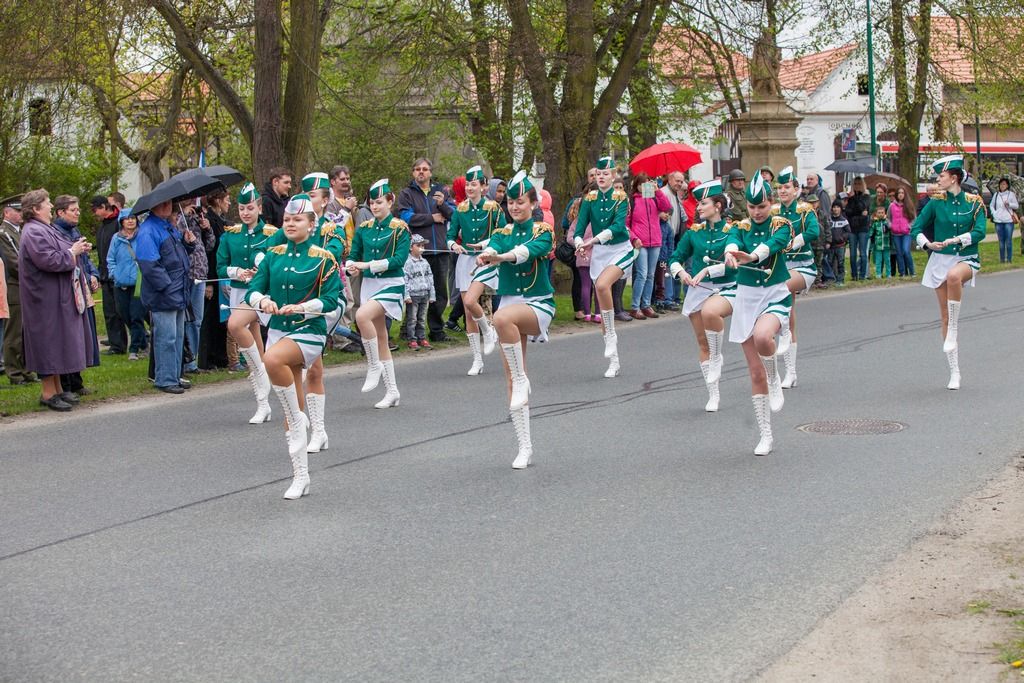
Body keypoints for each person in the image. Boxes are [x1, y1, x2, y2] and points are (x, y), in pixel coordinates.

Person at [246, 193, 341, 500]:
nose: (290, 224)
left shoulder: (323, 258)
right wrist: (264, 301)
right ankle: (301, 475)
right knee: (291, 407)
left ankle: (300, 417)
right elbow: (253, 289)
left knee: (271, 360)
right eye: (287, 219)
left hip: (309, 332)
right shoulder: (273, 255)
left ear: (311, 224)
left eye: (297, 219)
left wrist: (303, 308)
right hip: (278, 330)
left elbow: (330, 300)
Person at [477, 170, 555, 469]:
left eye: (520, 202)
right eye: (510, 202)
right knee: (511, 378)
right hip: (510, 305)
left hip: (538, 305)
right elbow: (493, 247)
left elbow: (529, 252)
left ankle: (523, 379)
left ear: (533, 204)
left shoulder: (543, 230)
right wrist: (485, 254)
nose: (514, 207)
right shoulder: (501, 233)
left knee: (499, 318)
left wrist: (502, 257)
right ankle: (525, 446)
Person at [722, 173, 792, 455]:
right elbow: (732, 240)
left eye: (761, 206)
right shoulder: (740, 226)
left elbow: (773, 245)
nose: (756, 212)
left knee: (764, 337)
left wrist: (751, 257)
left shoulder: (782, 224)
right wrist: (730, 253)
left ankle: (775, 377)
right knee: (754, 372)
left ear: (770, 203)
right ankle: (766, 434)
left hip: (774, 293)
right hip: (746, 299)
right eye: (752, 207)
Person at [910, 155, 987, 390]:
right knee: (943, 316)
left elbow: (981, 231)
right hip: (940, 259)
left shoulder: (974, 202)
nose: (937, 180)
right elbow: (916, 228)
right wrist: (927, 244)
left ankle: (954, 326)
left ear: (954, 178)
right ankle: (955, 371)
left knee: (954, 276)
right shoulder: (935, 202)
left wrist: (959, 239)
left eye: (941, 176)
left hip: (966, 257)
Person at [17, 189, 98, 411]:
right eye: (47, 203)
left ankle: (58, 389)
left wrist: (78, 249)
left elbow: (61, 250)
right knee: (47, 344)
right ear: (35, 208)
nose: (51, 206)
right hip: (43, 301)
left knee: (56, 344)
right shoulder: (33, 231)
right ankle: (47, 393)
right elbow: (48, 260)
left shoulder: (44, 229)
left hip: (54, 299)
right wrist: (72, 252)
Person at [668, 179, 737, 412]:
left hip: (728, 287)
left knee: (711, 313)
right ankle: (713, 394)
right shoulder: (694, 233)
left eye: (703, 203)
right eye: (698, 203)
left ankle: (717, 358)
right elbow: (674, 257)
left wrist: (708, 269)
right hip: (698, 289)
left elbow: (732, 264)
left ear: (717, 206)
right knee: (702, 342)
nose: (698, 207)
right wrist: (681, 273)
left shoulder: (732, 230)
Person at [294, 172, 348, 451]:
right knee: (308, 368)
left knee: (308, 364)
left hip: (325, 305)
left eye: (312, 196)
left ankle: (312, 428)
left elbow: (332, 258)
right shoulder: (293, 231)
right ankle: (314, 429)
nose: (306, 200)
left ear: (325, 201)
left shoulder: (332, 231)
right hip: (298, 305)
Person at [347, 179, 411, 408]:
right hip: (369, 286)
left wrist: (368, 265)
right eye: (372, 203)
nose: (375, 207)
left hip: (392, 284)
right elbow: (354, 254)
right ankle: (392, 391)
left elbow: (399, 260)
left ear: (390, 201)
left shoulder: (400, 228)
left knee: (362, 316)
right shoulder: (364, 228)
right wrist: (351, 265)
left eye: (379, 202)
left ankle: (373, 364)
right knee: (381, 337)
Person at [220, 182, 279, 421]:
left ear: (260, 207)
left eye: (250, 208)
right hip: (238, 291)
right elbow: (221, 265)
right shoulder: (230, 235)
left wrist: (260, 272)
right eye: (242, 208)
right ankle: (263, 404)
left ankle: (262, 372)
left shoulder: (272, 234)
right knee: (253, 339)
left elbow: (276, 263)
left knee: (235, 325)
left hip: (261, 293)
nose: (246, 213)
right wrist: (236, 272)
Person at [573, 156, 636, 379]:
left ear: (613, 175)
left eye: (606, 174)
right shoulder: (589, 199)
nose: (601, 177)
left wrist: (594, 240)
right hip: (599, 253)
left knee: (601, 285)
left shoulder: (621, 197)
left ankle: (611, 337)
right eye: (598, 174)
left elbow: (619, 227)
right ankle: (614, 359)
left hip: (620, 249)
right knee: (601, 292)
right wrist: (580, 243)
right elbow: (580, 228)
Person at [447, 165, 503, 374]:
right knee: (468, 313)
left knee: (470, 302)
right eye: (468, 184)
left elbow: (502, 234)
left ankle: (489, 331)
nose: (470, 188)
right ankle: (476, 359)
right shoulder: (460, 209)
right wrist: (453, 245)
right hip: (465, 261)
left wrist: (484, 246)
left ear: (483, 186)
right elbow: (451, 235)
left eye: (474, 184)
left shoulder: (494, 208)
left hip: (486, 260)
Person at [136, 198, 196, 394]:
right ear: (153, 207)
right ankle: (165, 378)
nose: (167, 206)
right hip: (164, 293)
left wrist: (188, 245)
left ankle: (174, 375)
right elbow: (149, 265)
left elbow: (177, 257)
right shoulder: (148, 230)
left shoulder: (168, 227)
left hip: (177, 290)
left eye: (169, 203)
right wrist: (167, 286)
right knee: (166, 337)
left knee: (177, 336)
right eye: (162, 204)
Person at [396, 158, 454, 342]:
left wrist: (442, 205)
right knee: (415, 293)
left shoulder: (441, 191)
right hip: (418, 251)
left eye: (425, 169)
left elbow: (453, 213)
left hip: (441, 249)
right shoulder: (407, 194)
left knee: (440, 293)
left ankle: (436, 330)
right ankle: (410, 332)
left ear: (430, 172)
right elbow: (406, 217)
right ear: (413, 172)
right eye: (417, 169)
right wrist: (432, 217)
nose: (421, 172)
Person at [773, 166, 819, 389]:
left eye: (786, 187)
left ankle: (782, 335)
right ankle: (790, 372)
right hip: (780, 266)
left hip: (803, 266)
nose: (782, 191)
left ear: (796, 190)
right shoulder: (773, 212)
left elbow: (814, 232)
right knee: (788, 313)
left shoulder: (805, 210)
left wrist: (793, 242)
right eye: (780, 187)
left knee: (782, 287)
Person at [53, 195, 100, 395]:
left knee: (81, 335)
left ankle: (77, 380)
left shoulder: (75, 231)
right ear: (60, 212)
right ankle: (66, 383)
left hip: (81, 286)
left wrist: (93, 274)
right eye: (73, 210)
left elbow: (85, 259)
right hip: (66, 290)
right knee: (69, 337)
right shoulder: (54, 233)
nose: (78, 212)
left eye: (78, 209)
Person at [0, 196, 35, 385]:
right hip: (14, 287)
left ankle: (26, 369)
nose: (21, 214)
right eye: (17, 211)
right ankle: (14, 372)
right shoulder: (3, 233)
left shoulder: (19, 232)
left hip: (25, 286)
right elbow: (14, 263)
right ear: (7, 212)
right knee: (14, 332)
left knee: (25, 331)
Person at [106, 209, 149, 360]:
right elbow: (110, 259)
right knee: (124, 314)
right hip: (121, 283)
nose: (130, 221)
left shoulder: (143, 236)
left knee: (136, 315)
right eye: (126, 218)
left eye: (133, 218)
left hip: (139, 282)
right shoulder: (116, 239)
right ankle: (144, 341)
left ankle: (134, 349)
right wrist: (114, 274)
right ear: (121, 221)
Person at [627, 172, 670, 319]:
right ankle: (635, 306)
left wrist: (657, 191)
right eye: (641, 184)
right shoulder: (632, 201)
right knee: (642, 274)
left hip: (655, 240)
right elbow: (626, 224)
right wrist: (633, 238)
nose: (643, 187)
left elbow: (667, 207)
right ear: (636, 186)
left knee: (651, 275)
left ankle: (646, 305)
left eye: (646, 184)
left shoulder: (654, 199)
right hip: (640, 242)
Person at [178, 203, 215, 373]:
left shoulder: (198, 219)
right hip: (186, 276)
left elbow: (209, 246)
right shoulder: (178, 218)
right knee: (185, 319)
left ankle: (193, 359)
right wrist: (184, 216)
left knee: (197, 320)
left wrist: (207, 229)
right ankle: (186, 360)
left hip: (200, 274)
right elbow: (178, 239)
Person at [200, 189, 231, 369]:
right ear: (218, 201)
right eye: (227, 200)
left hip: (220, 276)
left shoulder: (220, 221)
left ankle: (220, 356)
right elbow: (210, 253)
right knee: (210, 318)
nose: (229, 203)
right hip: (213, 275)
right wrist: (210, 282)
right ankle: (208, 357)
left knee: (220, 317)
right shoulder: (210, 221)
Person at [92, 195, 127, 355]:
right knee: (110, 313)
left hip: (118, 275)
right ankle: (116, 344)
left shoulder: (117, 224)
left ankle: (137, 341)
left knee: (124, 311)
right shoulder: (103, 227)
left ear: (103, 207)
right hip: (105, 276)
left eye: (95, 210)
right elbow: (101, 253)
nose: (94, 214)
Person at [403, 234, 435, 349]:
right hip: (413, 295)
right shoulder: (407, 263)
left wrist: (432, 295)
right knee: (412, 318)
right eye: (418, 245)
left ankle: (421, 338)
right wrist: (406, 295)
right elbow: (404, 280)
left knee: (422, 318)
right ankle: (412, 339)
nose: (421, 247)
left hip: (424, 294)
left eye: (423, 245)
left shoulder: (425, 262)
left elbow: (430, 278)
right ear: (411, 247)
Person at [845, 177, 871, 280]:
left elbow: (862, 207)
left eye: (859, 183)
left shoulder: (866, 197)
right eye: (855, 183)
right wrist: (859, 212)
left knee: (863, 253)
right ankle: (854, 275)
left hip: (863, 228)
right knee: (852, 254)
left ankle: (862, 275)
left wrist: (858, 197)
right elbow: (848, 212)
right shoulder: (850, 199)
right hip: (852, 228)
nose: (857, 185)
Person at [888, 186, 916, 276]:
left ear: (905, 194)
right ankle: (902, 272)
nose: (900, 195)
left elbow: (914, 219)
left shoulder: (909, 205)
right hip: (896, 233)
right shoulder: (892, 205)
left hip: (906, 233)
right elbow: (888, 218)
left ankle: (912, 271)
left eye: (902, 193)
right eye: (899, 193)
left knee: (906, 251)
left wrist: (909, 226)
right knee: (899, 253)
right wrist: (891, 225)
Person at [990, 177, 1018, 263]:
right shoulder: (996, 194)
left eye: (1004, 184)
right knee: (1001, 242)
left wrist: (1009, 204)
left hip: (1008, 221)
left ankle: (1009, 259)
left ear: (1007, 185)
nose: (1002, 186)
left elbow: (1016, 206)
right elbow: (991, 205)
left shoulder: (1011, 194)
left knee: (1008, 241)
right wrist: (994, 214)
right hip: (998, 221)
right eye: (1001, 184)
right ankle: (1002, 259)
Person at [825, 200, 850, 284]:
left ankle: (840, 280)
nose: (836, 209)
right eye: (834, 207)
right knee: (829, 262)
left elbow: (848, 232)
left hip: (840, 245)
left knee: (840, 263)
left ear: (840, 209)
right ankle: (832, 279)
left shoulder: (844, 220)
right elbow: (826, 230)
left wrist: (842, 238)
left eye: (837, 207)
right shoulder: (829, 220)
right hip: (831, 246)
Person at [869, 205, 892, 278]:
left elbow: (891, 230)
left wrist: (888, 226)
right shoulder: (875, 223)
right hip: (878, 246)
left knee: (887, 260)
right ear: (876, 214)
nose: (881, 214)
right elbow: (871, 233)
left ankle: (888, 274)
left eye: (882, 212)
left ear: (885, 213)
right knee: (878, 261)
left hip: (886, 245)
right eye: (879, 213)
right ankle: (878, 274)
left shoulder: (887, 222)